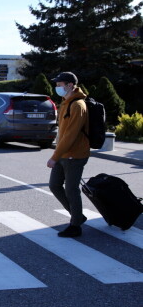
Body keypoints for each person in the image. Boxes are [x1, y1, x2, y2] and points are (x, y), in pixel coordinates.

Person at [47, 71, 90, 237]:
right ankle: (78, 216)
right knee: (54, 185)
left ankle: (75, 226)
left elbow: (70, 135)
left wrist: (54, 157)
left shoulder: (78, 105)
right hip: (64, 153)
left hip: (75, 155)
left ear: (70, 85)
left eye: (59, 85)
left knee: (71, 189)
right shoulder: (66, 102)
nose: (57, 87)